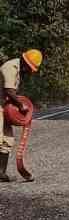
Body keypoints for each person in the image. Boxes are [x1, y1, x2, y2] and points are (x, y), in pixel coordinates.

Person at [1, 49, 40, 182]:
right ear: (24, 62)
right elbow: (9, 91)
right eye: (29, 68)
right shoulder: (10, 67)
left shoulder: (19, 70)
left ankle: (1, 173)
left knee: (7, 140)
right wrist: (21, 105)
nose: (29, 71)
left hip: (4, 107)